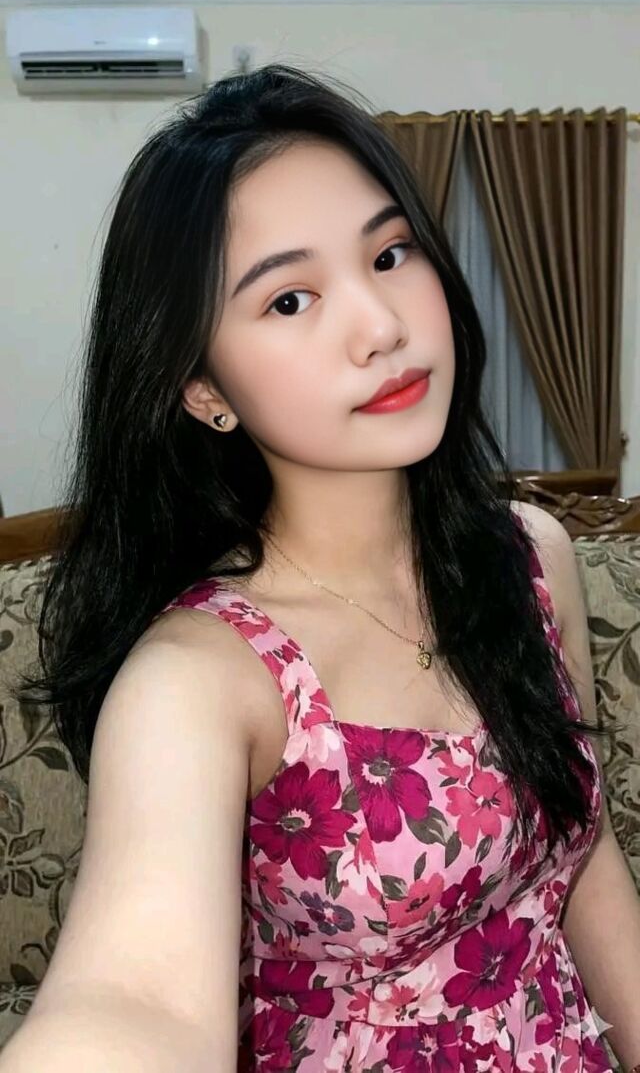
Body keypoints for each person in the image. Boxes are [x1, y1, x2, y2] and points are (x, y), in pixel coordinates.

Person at [2, 63, 639, 1073]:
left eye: (389, 254)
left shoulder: (528, 556)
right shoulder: (202, 677)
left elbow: (584, 858)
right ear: (203, 388)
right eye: (291, 298)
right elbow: (135, 1000)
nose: (381, 326)